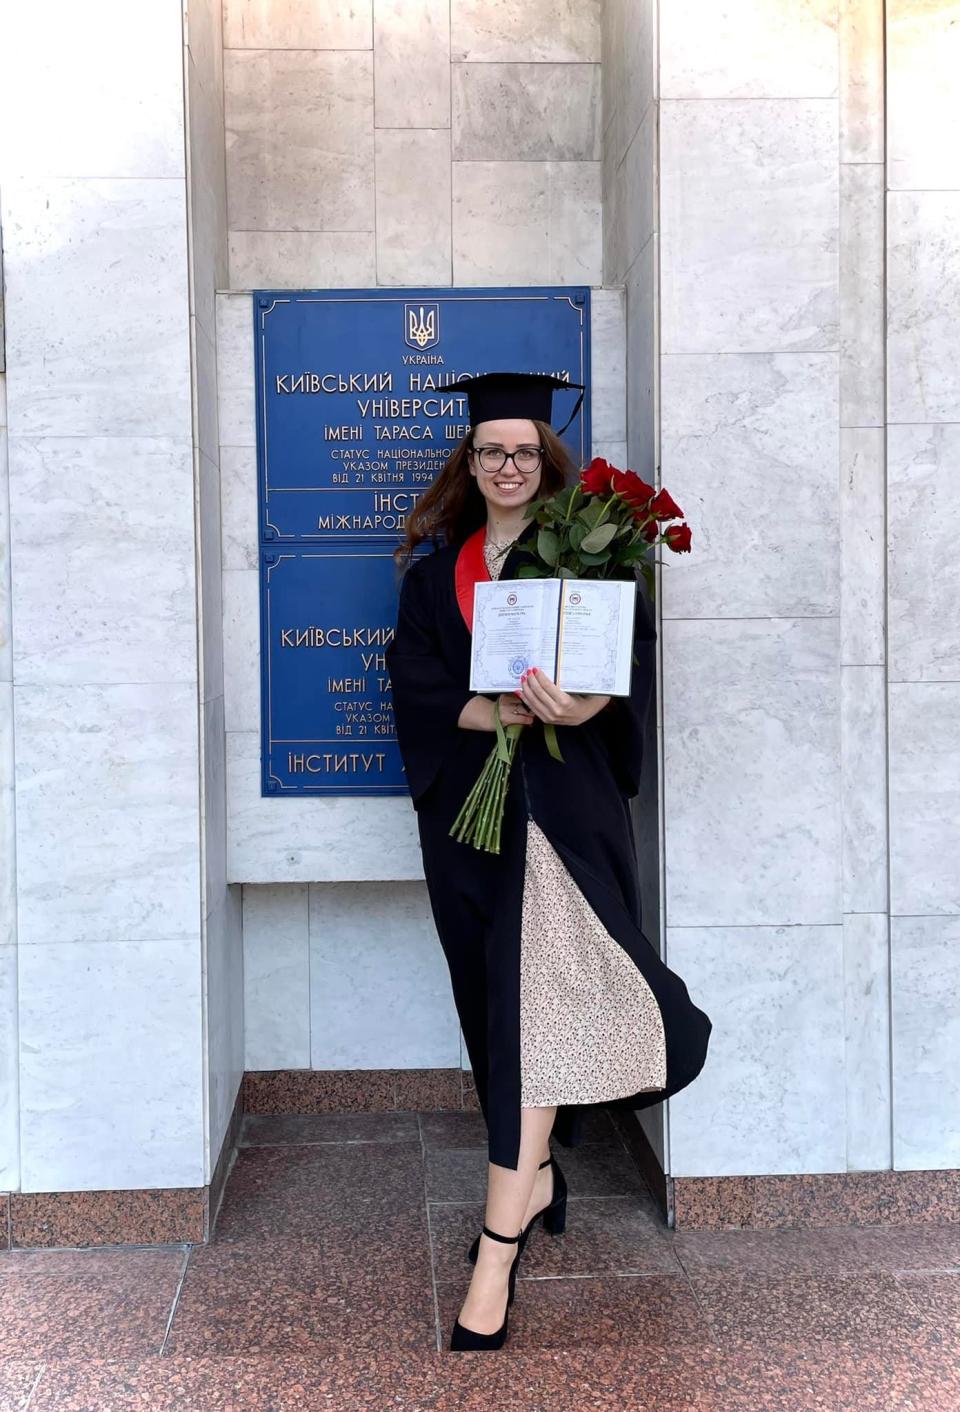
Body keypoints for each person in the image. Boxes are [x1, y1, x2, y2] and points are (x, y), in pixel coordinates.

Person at [385, 371, 713, 1352]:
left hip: (564, 811)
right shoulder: (431, 576)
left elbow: (627, 658)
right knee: (496, 1001)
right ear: (470, 462)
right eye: (492, 451)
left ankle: (495, 1249)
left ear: (546, 460)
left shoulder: (585, 554)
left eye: (525, 451)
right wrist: (507, 709)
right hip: (469, 818)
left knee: (533, 1002)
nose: (510, 466)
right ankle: (537, 1176)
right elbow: (419, 686)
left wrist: (589, 705)